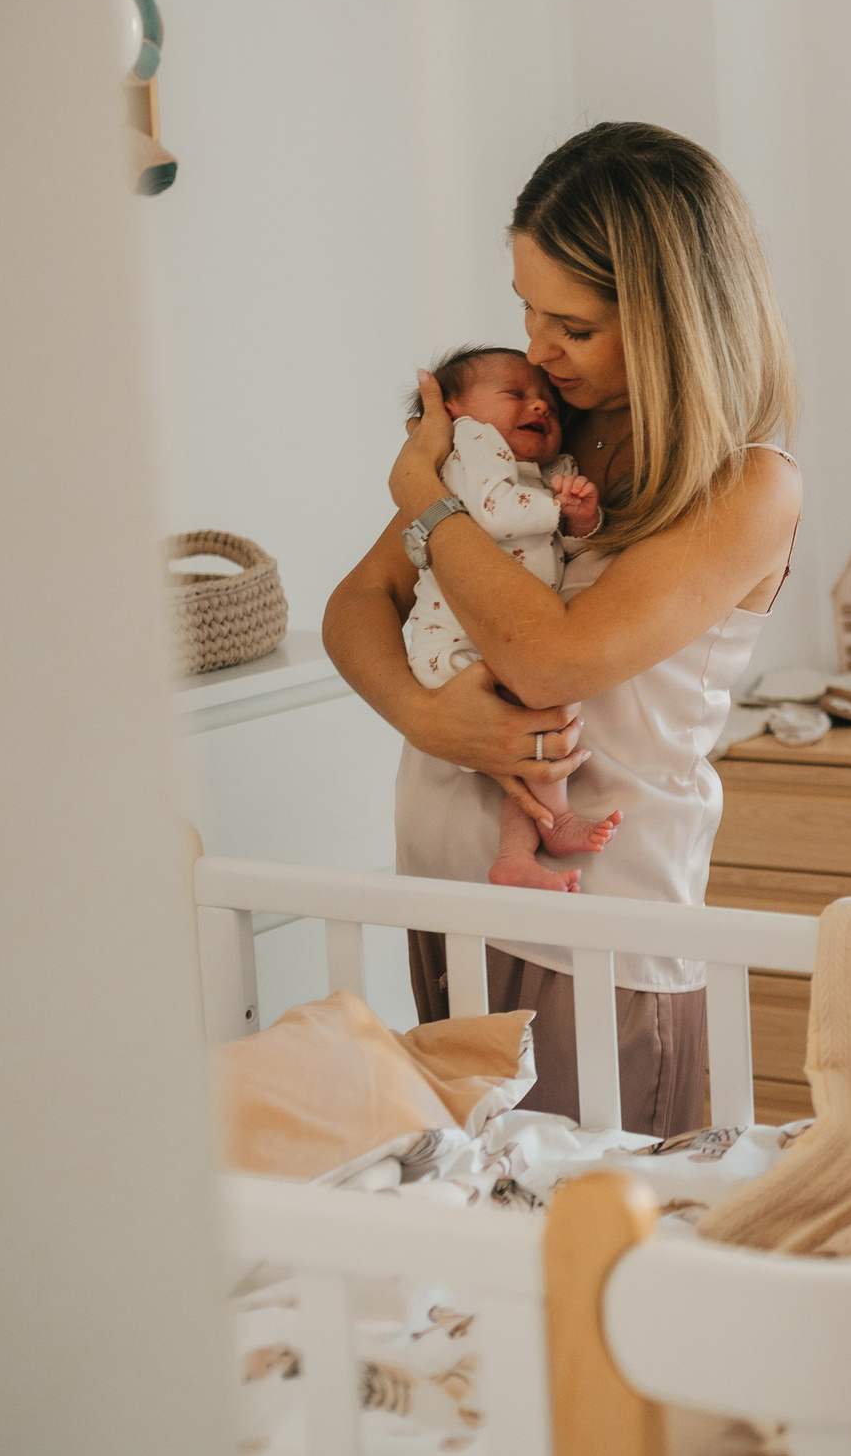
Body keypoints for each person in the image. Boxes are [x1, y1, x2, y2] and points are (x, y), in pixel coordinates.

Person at [325, 122, 802, 1138]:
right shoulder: (528, 431)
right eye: (525, 310)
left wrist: (429, 498)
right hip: (448, 896)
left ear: (676, 322)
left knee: (598, 1251)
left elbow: (549, 652)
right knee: (481, 1248)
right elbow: (354, 606)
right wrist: (427, 717)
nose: (534, 350)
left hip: (599, 934)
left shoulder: (745, 487)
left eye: (572, 327)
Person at [396, 343, 618, 892]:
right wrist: (559, 508)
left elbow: (565, 544)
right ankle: (553, 824)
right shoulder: (472, 447)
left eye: (545, 399)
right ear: (454, 411)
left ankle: (520, 853)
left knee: (534, 737)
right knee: (542, 719)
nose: (540, 406)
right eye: (516, 394)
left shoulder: (543, 468)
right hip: (454, 647)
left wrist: (584, 517)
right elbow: (492, 515)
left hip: (491, 643)